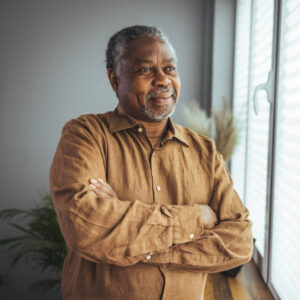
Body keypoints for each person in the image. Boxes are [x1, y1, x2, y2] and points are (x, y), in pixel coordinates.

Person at [50, 25, 253, 300]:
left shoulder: (204, 150)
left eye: (169, 68)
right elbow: (85, 228)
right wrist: (197, 218)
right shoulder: (85, 135)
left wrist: (137, 245)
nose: (162, 80)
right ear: (115, 79)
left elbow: (239, 243)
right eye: (146, 70)